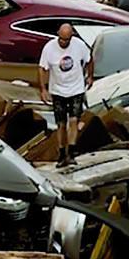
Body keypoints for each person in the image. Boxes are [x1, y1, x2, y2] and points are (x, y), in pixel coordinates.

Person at [38, 23, 93, 165]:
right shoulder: (49, 48)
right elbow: (42, 68)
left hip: (76, 89)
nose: (63, 42)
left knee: (74, 120)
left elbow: (89, 59)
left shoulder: (79, 45)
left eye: (66, 40)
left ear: (71, 37)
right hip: (57, 90)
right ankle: (62, 153)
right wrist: (43, 89)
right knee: (61, 124)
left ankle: (72, 151)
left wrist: (90, 76)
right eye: (61, 39)